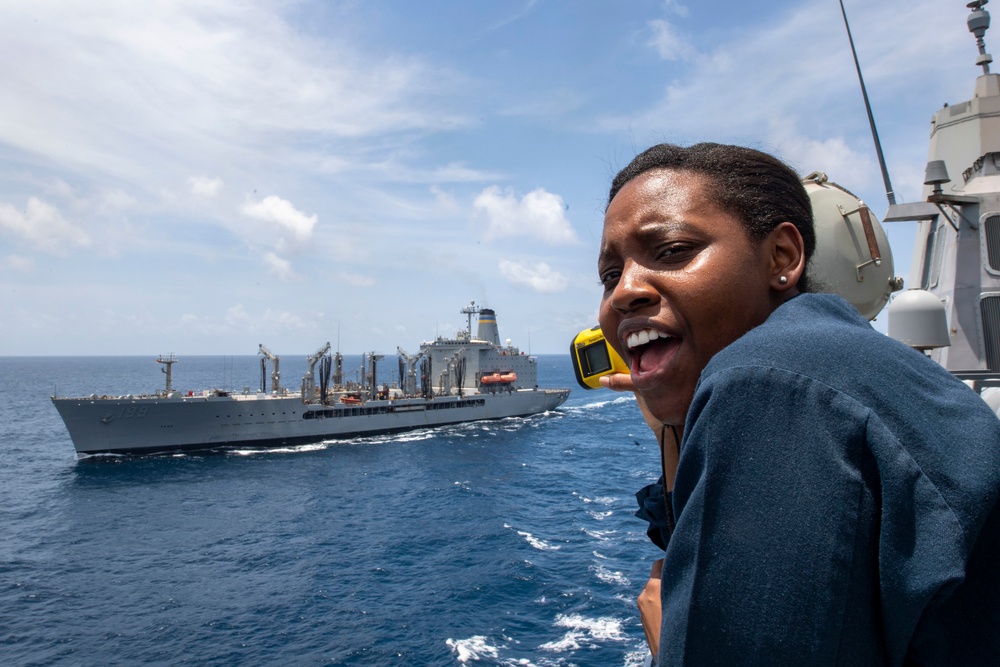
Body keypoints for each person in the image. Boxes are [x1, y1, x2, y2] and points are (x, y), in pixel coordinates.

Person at [596, 142, 1000, 666]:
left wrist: (671, 643)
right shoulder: (837, 365)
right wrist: (669, 426)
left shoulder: (768, 381)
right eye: (609, 276)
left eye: (672, 250)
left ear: (782, 258)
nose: (624, 291)